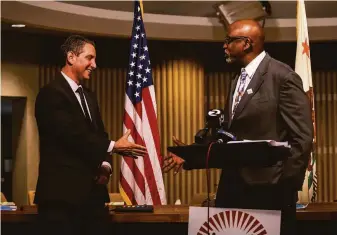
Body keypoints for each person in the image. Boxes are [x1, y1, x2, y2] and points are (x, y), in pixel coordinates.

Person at [163, 20, 313, 235]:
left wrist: (284, 186)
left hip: (269, 193)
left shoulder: (283, 77)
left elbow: (303, 138)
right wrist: (192, 155)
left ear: (246, 43)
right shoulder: (236, 79)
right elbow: (230, 138)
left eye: (229, 40)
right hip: (232, 189)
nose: (224, 45)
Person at [34, 35, 147, 235]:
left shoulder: (89, 96)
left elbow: (98, 135)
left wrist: (105, 165)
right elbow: (72, 136)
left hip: (92, 200)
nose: (94, 65)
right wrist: (113, 146)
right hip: (61, 200)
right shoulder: (50, 93)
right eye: (89, 58)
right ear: (71, 57)